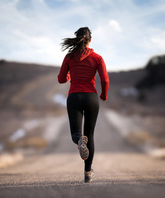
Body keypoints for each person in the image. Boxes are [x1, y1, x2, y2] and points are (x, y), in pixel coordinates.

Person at [58, 27, 109, 183]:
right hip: (91, 98)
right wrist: (103, 95)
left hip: (74, 97)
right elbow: (105, 80)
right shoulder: (97, 58)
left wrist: (69, 75)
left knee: (77, 133)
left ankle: (79, 140)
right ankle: (88, 172)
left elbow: (61, 79)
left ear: (77, 39)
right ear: (90, 40)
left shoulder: (69, 57)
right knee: (90, 135)